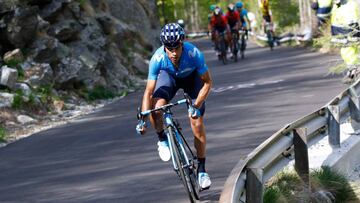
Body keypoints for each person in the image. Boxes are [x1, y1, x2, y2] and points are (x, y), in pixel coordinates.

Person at [136, 23, 213, 190]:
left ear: (182, 43)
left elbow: (207, 82)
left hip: (191, 79)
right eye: (168, 48)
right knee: (156, 108)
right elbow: (148, 92)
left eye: (176, 47)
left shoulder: (193, 53)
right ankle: (162, 139)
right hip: (168, 77)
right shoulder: (157, 58)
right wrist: (142, 119)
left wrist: (196, 105)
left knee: (197, 122)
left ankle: (201, 170)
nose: (173, 53)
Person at [330, 0, 360, 83]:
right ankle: (354, 70)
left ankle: (355, 70)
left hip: (349, 23)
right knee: (349, 49)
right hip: (342, 22)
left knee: (349, 48)